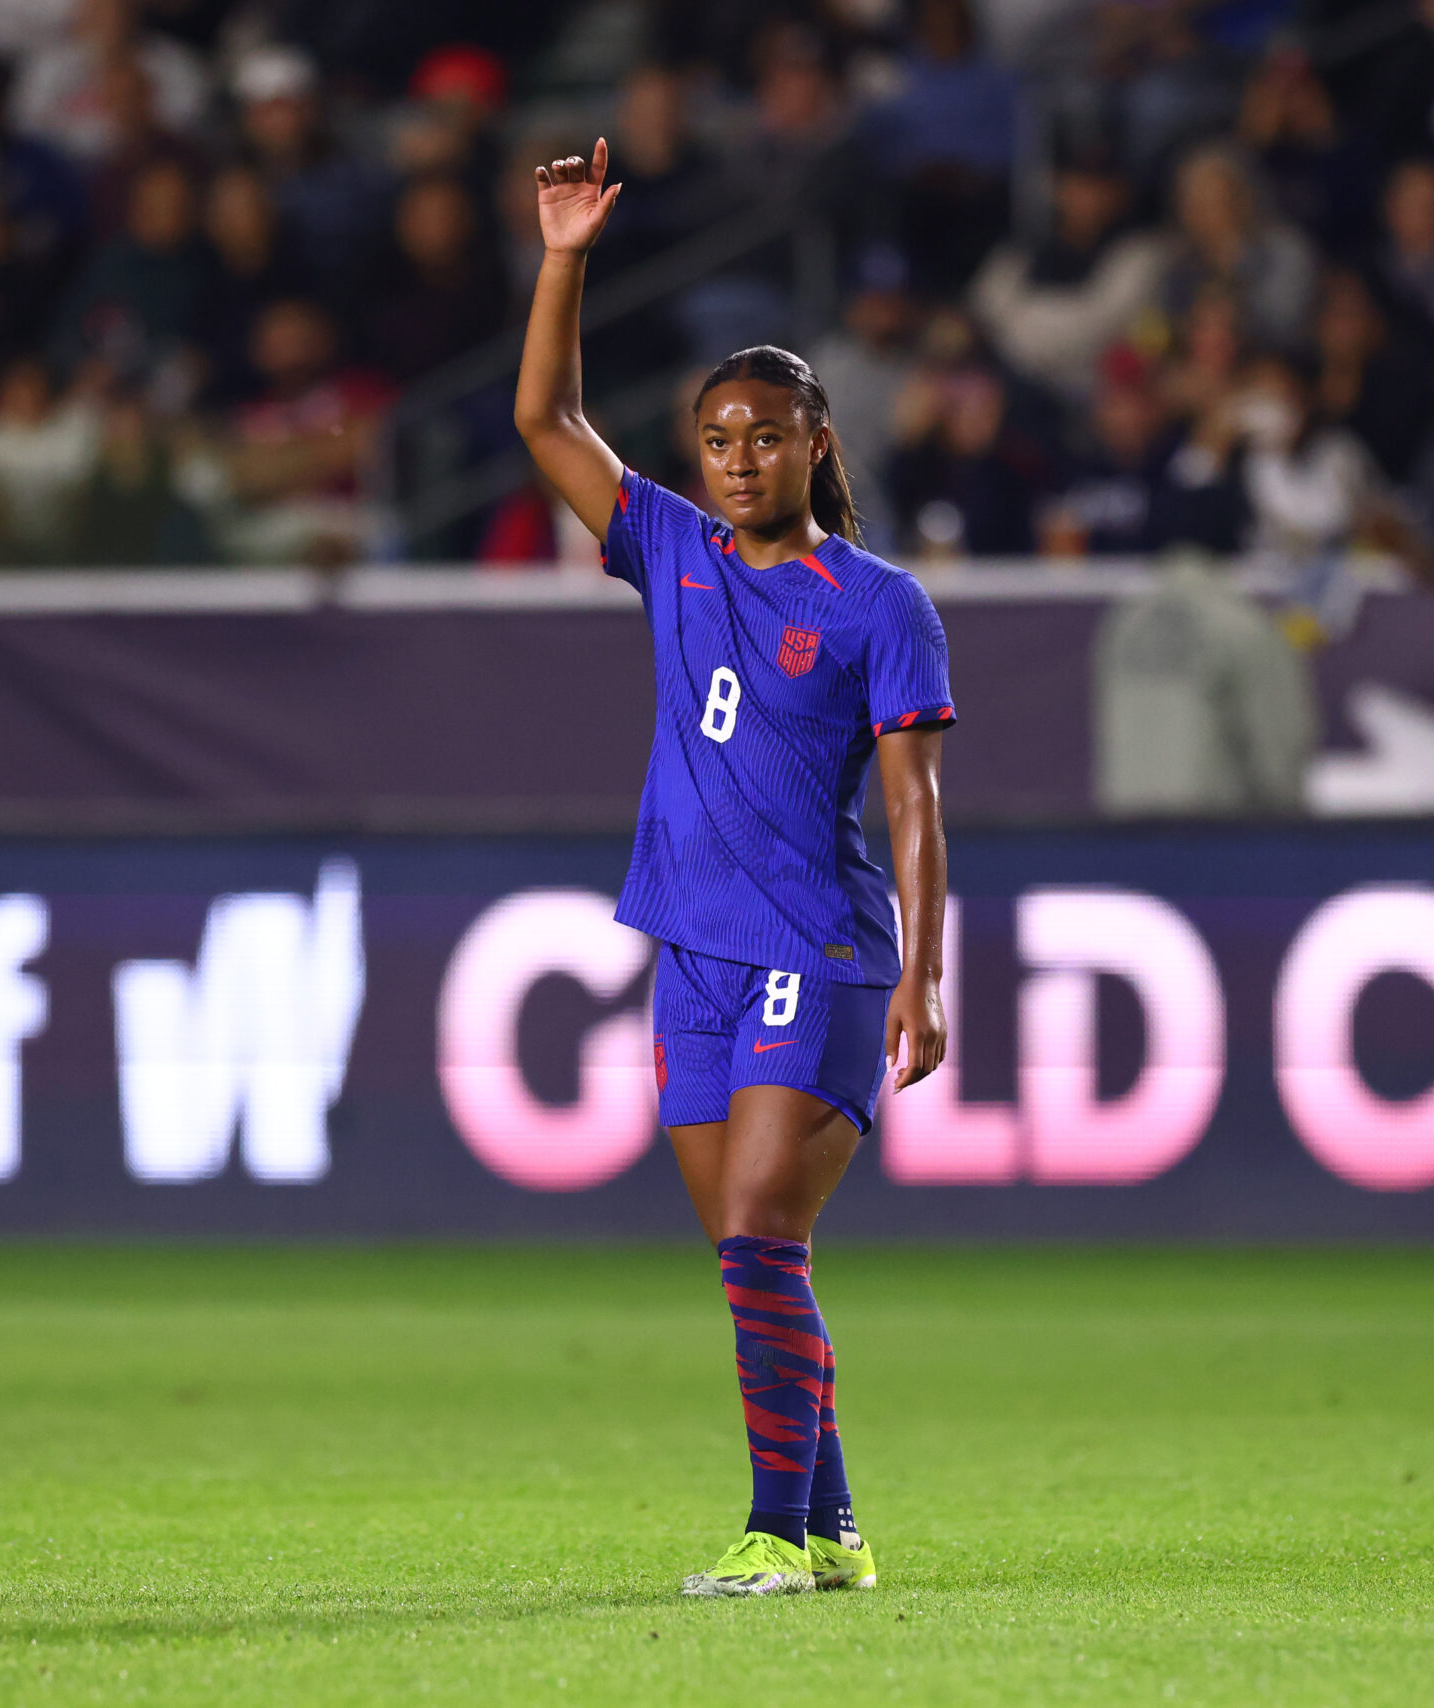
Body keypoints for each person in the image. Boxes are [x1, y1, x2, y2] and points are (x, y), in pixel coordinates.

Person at [513, 139, 953, 1599]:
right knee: (754, 1262)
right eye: (719, 438)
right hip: (690, 950)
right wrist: (566, 251)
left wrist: (925, 977)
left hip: (820, 952)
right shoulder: (671, 548)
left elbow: (915, 806)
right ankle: (832, 1532)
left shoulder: (883, 605)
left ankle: (772, 1533)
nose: (741, 457)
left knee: (766, 1228)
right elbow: (545, 416)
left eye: (767, 435)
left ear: (817, 443)